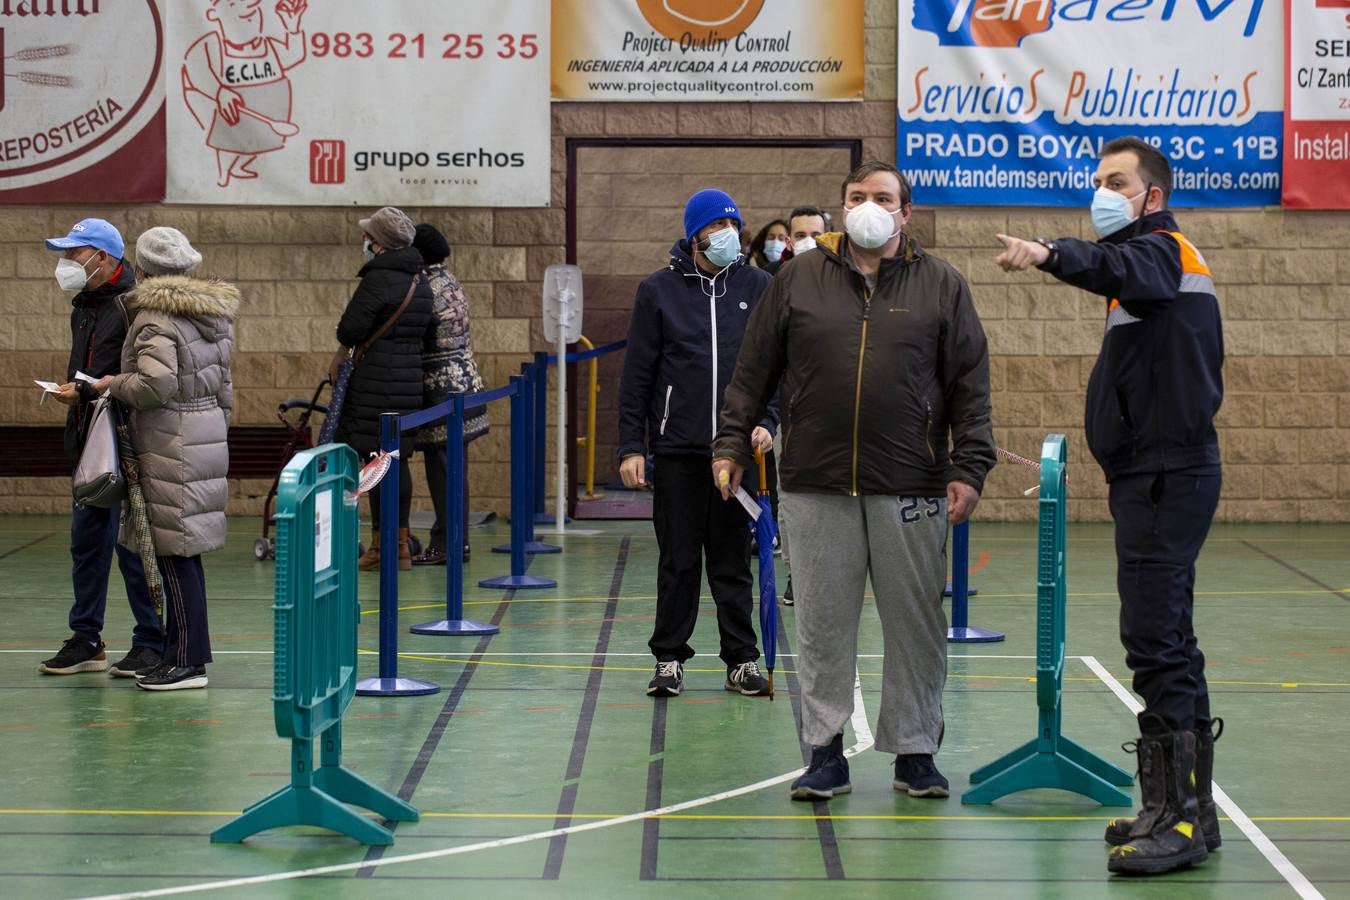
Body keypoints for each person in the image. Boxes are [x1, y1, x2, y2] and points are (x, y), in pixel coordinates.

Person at [713, 161, 995, 802]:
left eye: (883, 197)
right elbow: (752, 372)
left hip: (913, 482)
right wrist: (730, 442)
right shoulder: (797, 279)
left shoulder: (942, 285)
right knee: (820, 623)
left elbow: (969, 386)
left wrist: (970, 466)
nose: (869, 206)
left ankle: (916, 752)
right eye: (857, 197)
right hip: (815, 482)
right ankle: (824, 752)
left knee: (916, 624)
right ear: (842, 208)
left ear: (906, 213)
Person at [995, 135, 1224, 877]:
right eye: (1097, 179)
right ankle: (1185, 811)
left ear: (1151, 196)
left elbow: (1116, 264)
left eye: (1115, 181)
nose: (1101, 191)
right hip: (1153, 476)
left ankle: (1178, 823)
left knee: (1154, 644)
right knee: (1172, 643)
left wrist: (1049, 251)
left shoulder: (1161, 254)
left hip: (1165, 477)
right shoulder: (1151, 267)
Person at [618, 188, 778, 699]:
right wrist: (631, 447)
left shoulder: (760, 286)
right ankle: (668, 658)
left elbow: (777, 370)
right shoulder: (657, 291)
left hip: (737, 455)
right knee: (679, 561)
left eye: (734, 225)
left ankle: (741, 659)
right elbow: (637, 375)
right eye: (717, 227)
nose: (729, 234)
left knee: (733, 562)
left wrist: (768, 421)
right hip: (679, 454)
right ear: (695, 236)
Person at [94, 227, 236, 691]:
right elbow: (225, 389)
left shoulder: (154, 315)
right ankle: (183, 653)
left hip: (169, 441)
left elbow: (157, 385)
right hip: (204, 436)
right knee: (185, 553)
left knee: (174, 554)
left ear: (143, 268)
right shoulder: (212, 314)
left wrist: (113, 383)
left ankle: (186, 663)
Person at [40, 219, 163, 679]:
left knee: (134, 545)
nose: (66, 263)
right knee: (87, 542)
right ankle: (86, 638)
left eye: (75, 254)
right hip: (89, 438)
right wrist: (77, 394)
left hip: (128, 443)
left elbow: (137, 375)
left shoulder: (133, 306)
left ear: (104, 258)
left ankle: (151, 639)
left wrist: (87, 392)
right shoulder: (84, 306)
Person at [330, 207, 435, 571]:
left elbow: (351, 329)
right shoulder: (420, 280)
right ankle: (399, 543)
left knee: (375, 463)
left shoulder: (379, 279)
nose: (364, 241)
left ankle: (382, 547)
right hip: (409, 379)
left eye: (368, 236)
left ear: (380, 243)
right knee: (396, 460)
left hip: (375, 381)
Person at [411, 223, 488, 566]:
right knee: (454, 471)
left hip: (442, 393)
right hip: (465, 386)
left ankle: (448, 545)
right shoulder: (450, 280)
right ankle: (457, 542)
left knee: (442, 471)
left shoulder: (424, 285)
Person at [774, 204, 830, 607]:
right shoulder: (776, 285)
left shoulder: (852, 281)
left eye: (816, 233)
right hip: (790, 415)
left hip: (841, 416)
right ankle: (798, 573)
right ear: (790, 240)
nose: (808, 240)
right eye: (799, 234)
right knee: (792, 500)